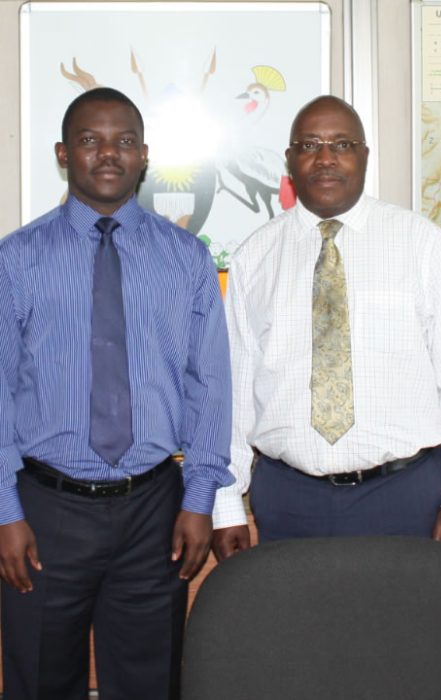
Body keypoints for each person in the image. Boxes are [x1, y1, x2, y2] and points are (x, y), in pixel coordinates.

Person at [0, 87, 232, 700]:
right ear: (63, 154)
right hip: (45, 510)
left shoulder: (186, 258)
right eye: (90, 140)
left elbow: (209, 385)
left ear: (145, 156)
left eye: (124, 141)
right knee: (40, 679)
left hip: (155, 510)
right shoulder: (16, 259)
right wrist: (5, 512)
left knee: (150, 681)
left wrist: (199, 498)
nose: (108, 153)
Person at [211, 95, 441, 557]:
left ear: (364, 156)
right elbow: (233, 395)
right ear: (289, 160)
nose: (325, 158)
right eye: (309, 145)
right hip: (289, 501)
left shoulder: (420, 244)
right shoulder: (256, 258)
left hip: (405, 496)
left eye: (342, 144)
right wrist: (226, 501)